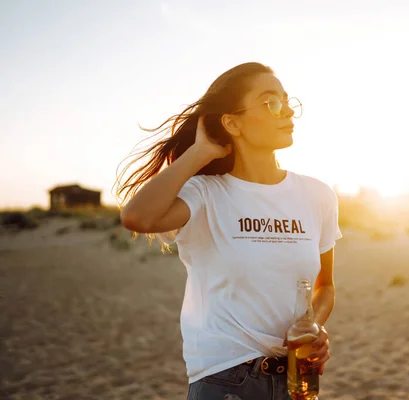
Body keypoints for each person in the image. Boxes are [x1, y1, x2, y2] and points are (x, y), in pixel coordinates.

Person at [115, 62, 343, 399]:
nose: (288, 112)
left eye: (287, 101)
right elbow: (138, 217)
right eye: (271, 102)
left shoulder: (317, 194)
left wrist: (314, 327)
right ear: (232, 122)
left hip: (296, 381)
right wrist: (201, 151)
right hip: (225, 382)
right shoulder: (206, 193)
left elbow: (325, 286)